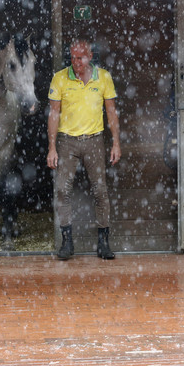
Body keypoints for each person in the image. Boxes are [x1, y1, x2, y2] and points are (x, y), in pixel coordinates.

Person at [47, 39, 121, 260]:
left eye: (80, 58)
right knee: (62, 190)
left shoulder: (103, 77)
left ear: (90, 56)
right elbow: (53, 114)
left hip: (94, 140)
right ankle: (67, 241)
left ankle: (103, 242)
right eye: (72, 57)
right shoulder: (60, 78)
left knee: (100, 191)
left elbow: (111, 112)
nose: (75, 62)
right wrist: (52, 147)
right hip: (67, 140)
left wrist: (116, 142)